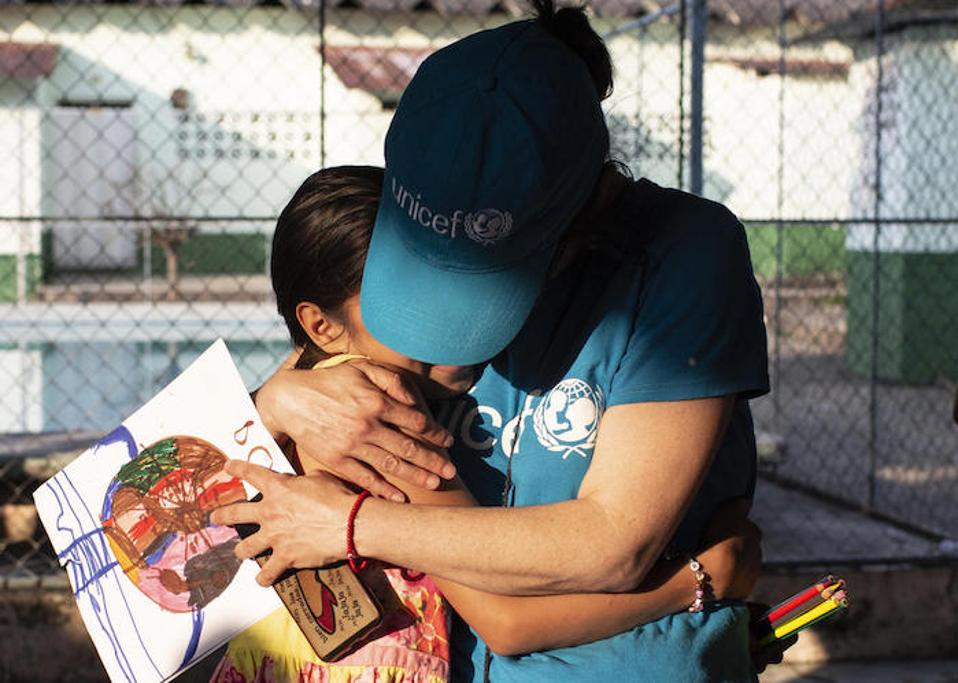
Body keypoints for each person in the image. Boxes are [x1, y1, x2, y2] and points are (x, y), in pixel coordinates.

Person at [213, 2, 774, 680]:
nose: (446, 354)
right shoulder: (375, 375)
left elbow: (612, 541)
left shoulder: (683, 259)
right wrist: (275, 400)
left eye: (482, 283)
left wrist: (348, 523)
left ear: (575, 222)